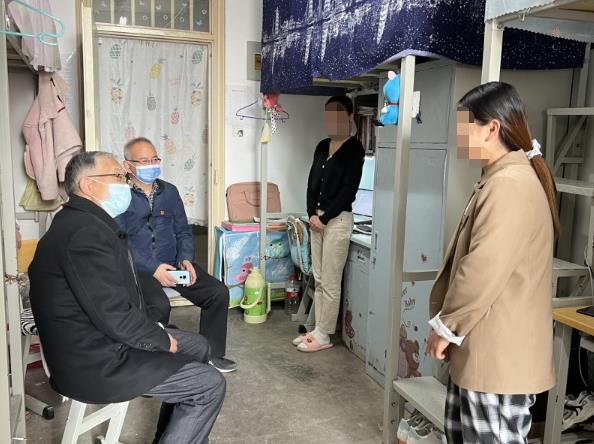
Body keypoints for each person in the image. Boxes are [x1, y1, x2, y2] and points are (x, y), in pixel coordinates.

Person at [29, 151, 225, 444]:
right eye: (118, 176)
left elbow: (110, 301)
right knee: (208, 384)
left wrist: (155, 331)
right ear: (88, 185)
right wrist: (158, 339)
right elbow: (112, 312)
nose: (126, 183)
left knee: (198, 346)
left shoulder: (84, 223)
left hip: (100, 340)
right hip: (94, 362)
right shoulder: (83, 234)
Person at [426, 82, 559, 443]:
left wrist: (446, 327)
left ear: (492, 129)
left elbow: (481, 269)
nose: (457, 136)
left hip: (498, 359)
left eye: (463, 127)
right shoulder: (501, 178)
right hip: (487, 352)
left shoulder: (510, 184)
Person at [116, 137, 237, 373]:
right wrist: (153, 268)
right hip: (139, 270)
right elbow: (120, 241)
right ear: (127, 165)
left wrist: (186, 259)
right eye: (144, 161)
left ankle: (211, 355)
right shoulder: (119, 195)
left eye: (155, 159)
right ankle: (156, 360)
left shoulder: (169, 191)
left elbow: (183, 230)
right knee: (158, 305)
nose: (151, 165)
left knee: (217, 293)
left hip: (173, 263)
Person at [294, 96, 364, 352]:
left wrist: (323, 218)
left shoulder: (354, 149)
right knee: (320, 278)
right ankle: (316, 329)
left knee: (331, 281)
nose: (332, 120)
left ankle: (324, 334)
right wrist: (311, 213)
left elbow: (348, 191)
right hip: (317, 219)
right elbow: (311, 182)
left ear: (349, 116)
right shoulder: (322, 145)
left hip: (337, 221)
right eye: (328, 115)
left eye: (337, 114)